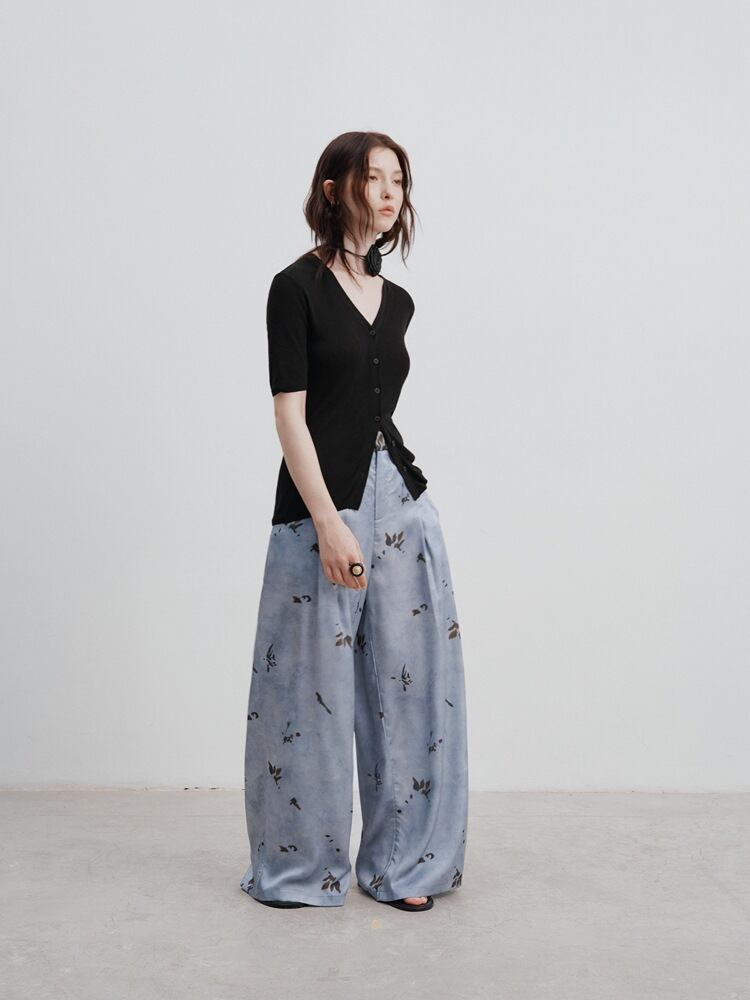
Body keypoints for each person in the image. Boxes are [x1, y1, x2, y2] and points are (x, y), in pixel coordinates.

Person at [240, 131, 468, 912]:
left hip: (399, 503)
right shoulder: (294, 288)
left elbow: (377, 409)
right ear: (335, 188)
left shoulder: (398, 301)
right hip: (320, 508)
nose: (390, 191)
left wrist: (404, 510)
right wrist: (329, 523)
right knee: (305, 693)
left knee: (408, 689)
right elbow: (290, 415)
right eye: (374, 177)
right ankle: (301, 869)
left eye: (399, 178)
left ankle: (405, 865)